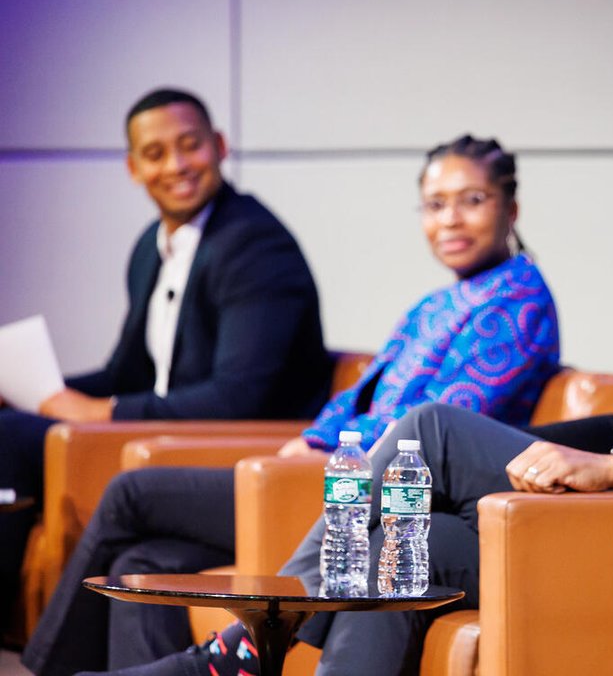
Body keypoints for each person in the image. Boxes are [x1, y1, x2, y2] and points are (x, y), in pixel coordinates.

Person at [85, 93, 613, 676]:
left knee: (431, 429)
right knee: (399, 546)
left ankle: (250, 640)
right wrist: (531, 455)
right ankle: (248, 646)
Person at [21, 135, 561, 676]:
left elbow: (438, 421)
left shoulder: (518, 299)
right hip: (334, 476)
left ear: (510, 209)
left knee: (132, 493)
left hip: (381, 494)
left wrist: (323, 450)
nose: (450, 220)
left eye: (472, 200)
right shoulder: (435, 303)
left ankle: (47, 668)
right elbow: (358, 396)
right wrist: (312, 439)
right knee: (144, 560)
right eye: (435, 204)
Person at [0, 88, 330, 630]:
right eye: (155, 154)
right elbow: (127, 373)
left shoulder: (255, 246)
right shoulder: (150, 247)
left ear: (219, 145)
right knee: (12, 421)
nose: (176, 165)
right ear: (134, 168)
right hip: (163, 434)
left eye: (190, 145)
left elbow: (238, 397)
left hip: (234, 447)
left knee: (11, 436)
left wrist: (98, 413)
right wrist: (34, 389)